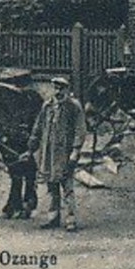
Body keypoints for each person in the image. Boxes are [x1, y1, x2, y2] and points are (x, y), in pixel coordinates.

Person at [28, 76, 88, 233]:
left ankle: (70, 219)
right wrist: (32, 145)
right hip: (48, 152)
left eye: (62, 88)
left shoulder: (74, 106)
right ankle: (53, 217)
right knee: (51, 185)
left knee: (66, 186)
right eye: (56, 88)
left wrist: (75, 151)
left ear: (67, 89)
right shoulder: (47, 106)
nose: (58, 91)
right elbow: (38, 126)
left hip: (65, 153)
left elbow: (80, 130)